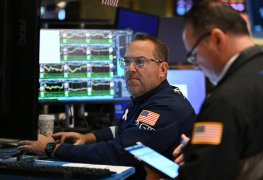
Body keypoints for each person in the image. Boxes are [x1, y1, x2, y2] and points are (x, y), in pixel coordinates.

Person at [148, 2, 263, 180]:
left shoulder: (225, 100)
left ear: (217, 38)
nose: (196, 64)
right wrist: (204, 147)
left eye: (194, 53)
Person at [18, 34, 197, 179]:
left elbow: (120, 153)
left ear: (163, 69)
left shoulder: (165, 108)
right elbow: (122, 129)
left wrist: (52, 148)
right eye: (127, 62)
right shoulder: (146, 97)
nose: (131, 69)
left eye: (140, 62)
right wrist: (90, 137)